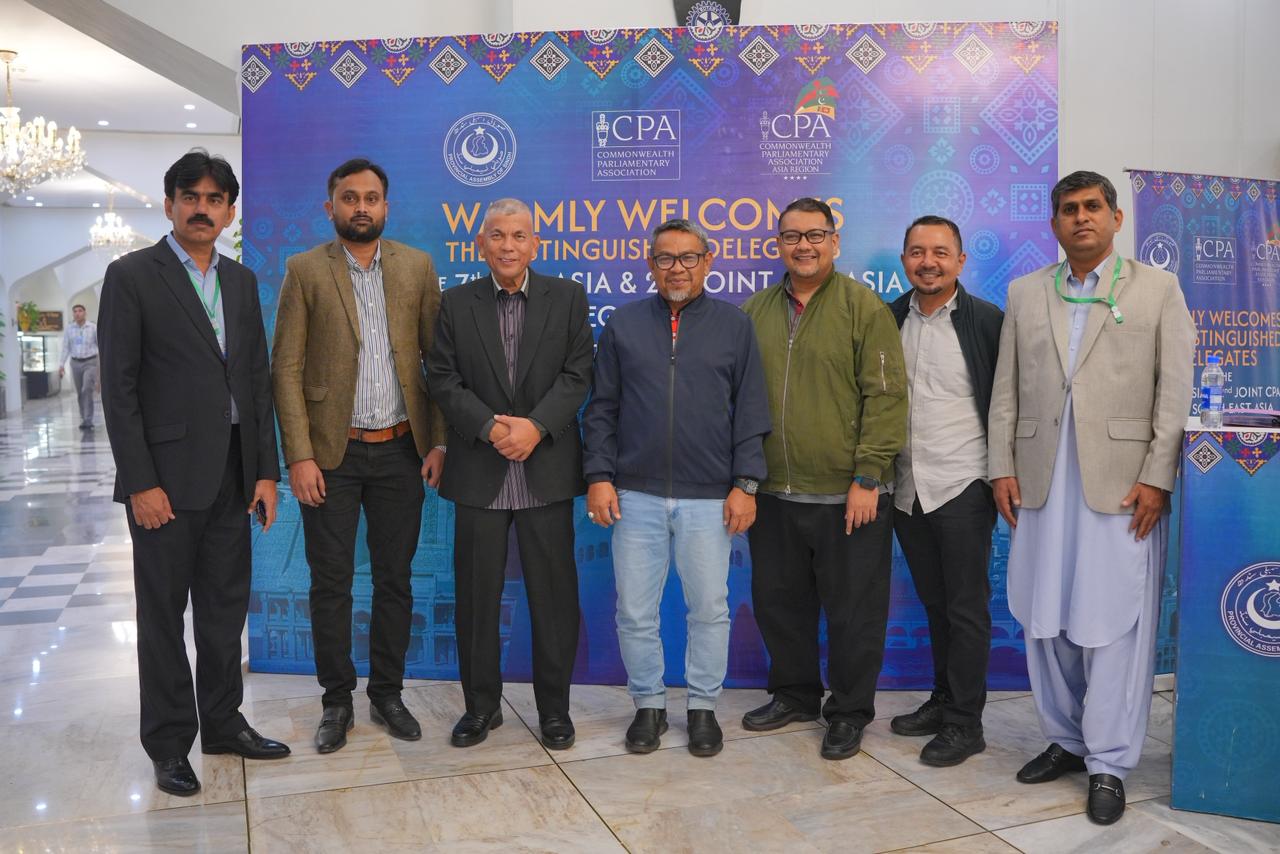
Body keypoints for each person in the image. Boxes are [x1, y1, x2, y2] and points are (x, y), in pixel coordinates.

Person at [988, 171, 1195, 824]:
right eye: (1069, 209)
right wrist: (1001, 467)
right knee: (1044, 615)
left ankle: (1108, 761)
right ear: (1053, 223)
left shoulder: (1157, 289)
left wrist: (1158, 476)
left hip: (1122, 484)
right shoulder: (1026, 292)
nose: (1081, 218)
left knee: (1114, 621)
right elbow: (1005, 390)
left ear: (1116, 217)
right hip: (1041, 478)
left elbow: (1175, 390)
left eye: (1093, 207)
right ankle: (1066, 740)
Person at [99, 149, 290, 797]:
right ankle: (169, 744)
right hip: (164, 483)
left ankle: (224, 723)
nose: (202, 209)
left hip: (233, 477)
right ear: (169, 204)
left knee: (222, 613)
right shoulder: (132, 276)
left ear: (230, 211)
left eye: (214, 199)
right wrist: (140, 482)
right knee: (162, 619)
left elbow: (255, 382)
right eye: (190, 197)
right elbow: (118, 388)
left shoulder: (241, 281)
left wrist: (264, 472)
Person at [271, 158, 447, 754]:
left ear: (386, 206)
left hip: (401, 451)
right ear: (331, 207)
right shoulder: (304, 270)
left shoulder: (417, 267)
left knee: (395, 579)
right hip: (331, 455)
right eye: (350, 198)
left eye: (372, 198)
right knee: (331, 583)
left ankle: (388, 693)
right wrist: (299, 456)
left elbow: (437, 364)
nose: (362, 207)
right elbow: (285, 368)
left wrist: (438, 441)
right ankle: (337, 700)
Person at [583, 218, 771, 757]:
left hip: (710, 497)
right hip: (634, 494)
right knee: (634, 611)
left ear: (707, 262)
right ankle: (648, 705)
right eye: (665, 258)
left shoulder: (734, 326)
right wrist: (599, 477)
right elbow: (601, 409)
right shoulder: (623, 324)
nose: (677, 269)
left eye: (689, 257)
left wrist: (746, 483)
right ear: (651, 264)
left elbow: (751, 411)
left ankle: (703, 708)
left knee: (709, 607)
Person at [741, 197, 908, 760]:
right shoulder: (754, 311)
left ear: (835, 242)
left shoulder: (865, 308)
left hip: (849, 495)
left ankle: (849, 712)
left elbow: (886, 398)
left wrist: (868, 474)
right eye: (792, 236)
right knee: (779, 603)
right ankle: (794, 694)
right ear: (779, 245)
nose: (804, 246)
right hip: (773, 491)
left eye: (815, 235)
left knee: (854, 613)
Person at [427, 198, 593, 751]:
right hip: (480, 469)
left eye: (519, 235)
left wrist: (536, 428)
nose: (507, 245)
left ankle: (554, 711)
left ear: (534, 244)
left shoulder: (567, 298)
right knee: (477, 598)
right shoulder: (456, 304)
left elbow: (578, 375)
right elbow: (443, 378)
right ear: (480, 244)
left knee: (553, 598)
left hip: (546, 469)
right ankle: (481, 708)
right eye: (497, 235)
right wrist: (490, 428)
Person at [887, 215, 1003, 766]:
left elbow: (1008, 403)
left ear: (960, 260)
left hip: (963, 482)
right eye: (917, 252)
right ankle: (943, 699)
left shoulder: (988, 321)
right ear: (904, 260)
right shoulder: (887, 319)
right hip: (907, 487)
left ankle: (965, 723)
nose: (927, 262)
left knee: (966, 608)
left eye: (939, 251)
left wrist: (1003, 474)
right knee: (935, 603)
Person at [60, 303, 100, 429]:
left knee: (86, 389)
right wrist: (61, 365)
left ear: (85, 313)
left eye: (80, 311)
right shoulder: (69, 329)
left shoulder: (92, 327)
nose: (77, 313)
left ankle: (88, 419)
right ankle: (84, 417)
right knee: (80, 392)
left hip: (90, 362)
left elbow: (100, 345)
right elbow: (66, 347)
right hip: (75, 363)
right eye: (75, 311)